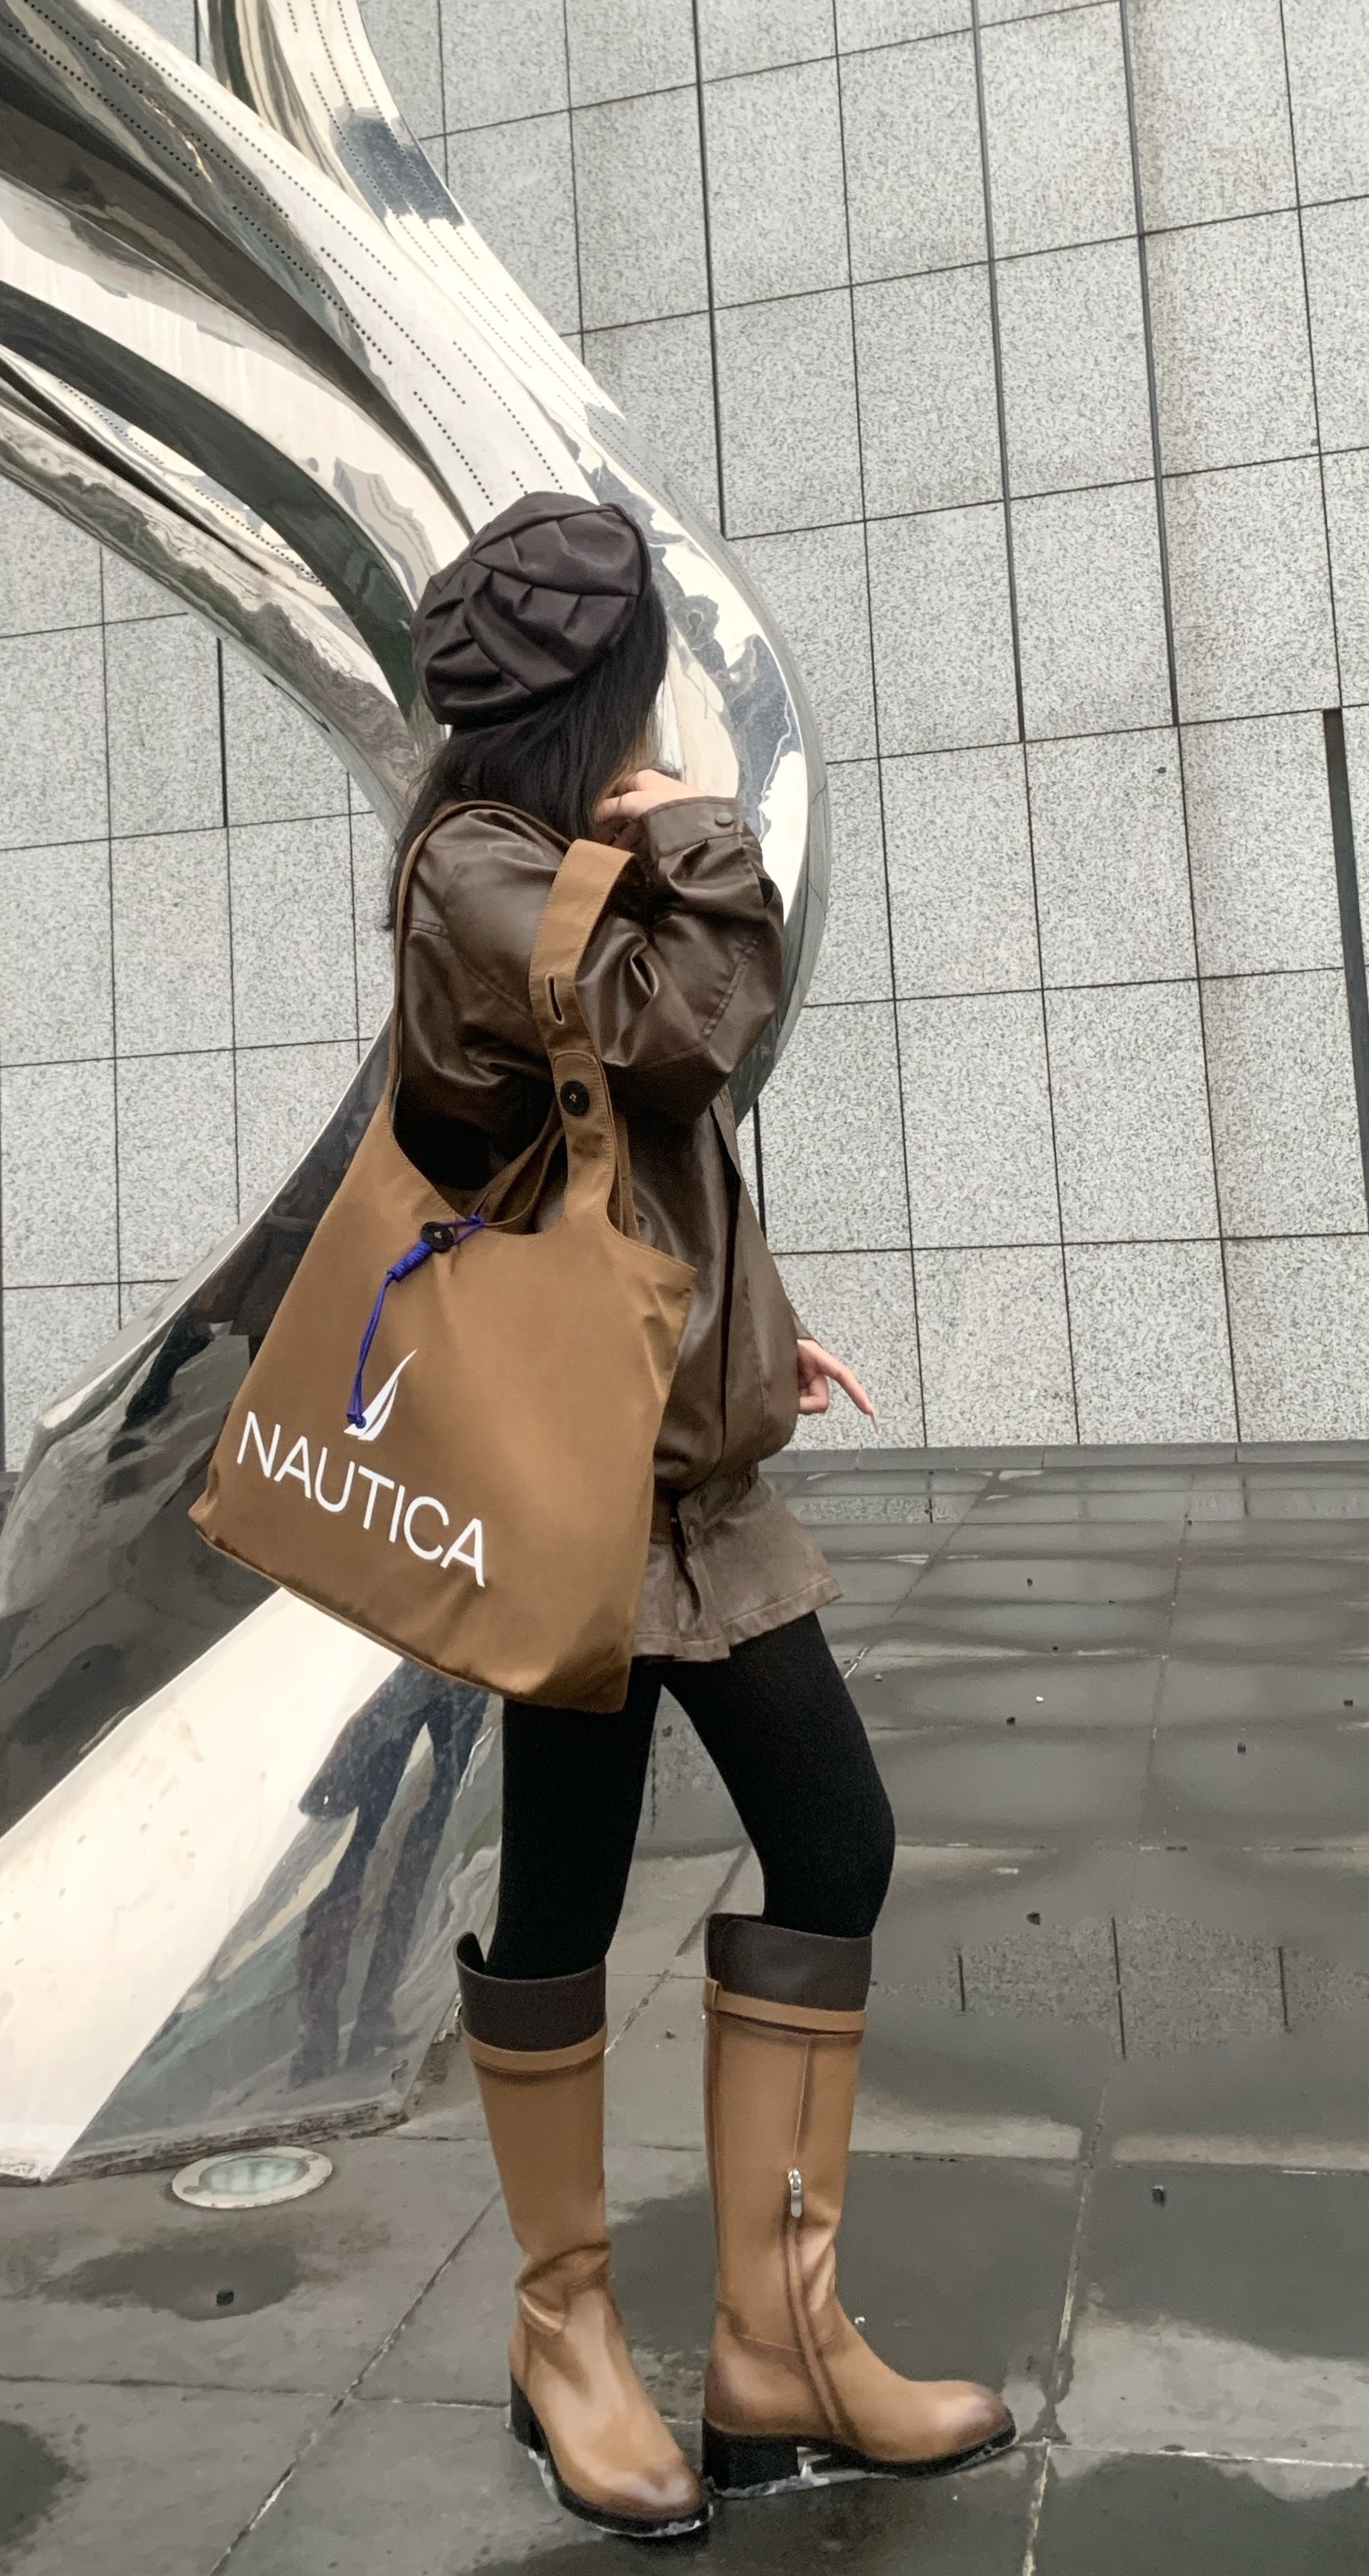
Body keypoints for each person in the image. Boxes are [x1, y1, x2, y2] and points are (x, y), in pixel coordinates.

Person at [389, 494, 1014, 2539]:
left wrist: (757, 1330)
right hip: (576, 1483)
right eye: (642, 684)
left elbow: (644, 1147)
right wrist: (700, 827)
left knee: (835, 1837)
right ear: (596, 695)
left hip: (684, 1477)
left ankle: (779, 2339)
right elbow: (686, 1029)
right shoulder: (479, 869)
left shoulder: (563, 863)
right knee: (567, 1899)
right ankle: (563, 2330)